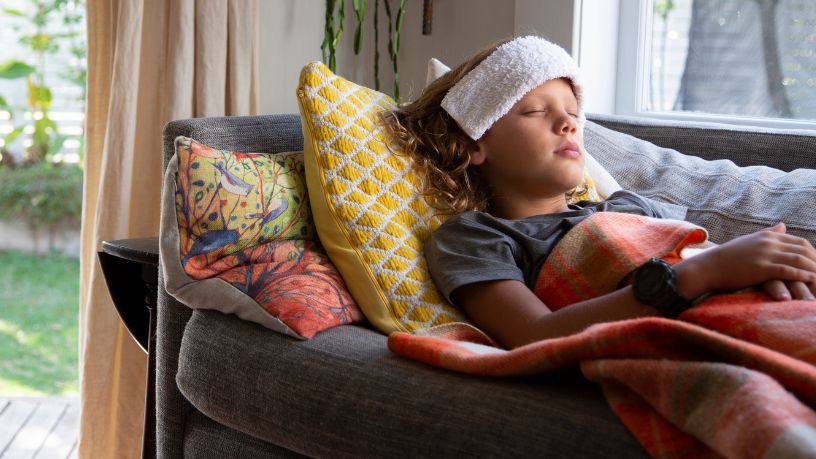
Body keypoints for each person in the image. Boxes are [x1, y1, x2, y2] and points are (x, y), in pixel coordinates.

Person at [384, 36, 816, 349]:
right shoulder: (475, 237)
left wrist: (771, 266)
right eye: (536, 111)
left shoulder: (629, 206)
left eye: (573, 113)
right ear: (474, 144)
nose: (568, 123)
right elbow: (535, 337)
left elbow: (710, 255)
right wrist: (701, 273)